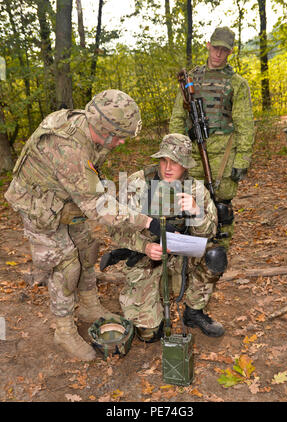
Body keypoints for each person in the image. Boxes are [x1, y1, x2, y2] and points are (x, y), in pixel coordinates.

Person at [4, 89, 173, 361]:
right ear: (104, 128)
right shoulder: (65, 146)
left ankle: (89, 306)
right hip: (39, 204)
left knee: (86, 249)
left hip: (68, 198)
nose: (119, 143)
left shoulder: (93, 130)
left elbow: (91, 185)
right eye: (118, 137)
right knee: (66, 265)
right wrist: (147, 222)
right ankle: (63, 329)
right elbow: (100, 206)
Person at [102, 134, 228, 342]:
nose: (168, 168)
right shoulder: (138, 183)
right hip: (147, 256)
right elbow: (114, 229)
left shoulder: (195, 189)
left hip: (181, 254)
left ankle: (194, 311)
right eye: (164, 160)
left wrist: (197, 212)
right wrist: (145, 246)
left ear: (185, 166)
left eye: (176, 162)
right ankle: (152, 306)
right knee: (149, 335)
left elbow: (209, 233)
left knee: (215, 255)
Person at [169, 26, 255, 249]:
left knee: (221, 207)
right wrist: (173, 152)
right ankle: (190, 252)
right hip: (193, 152)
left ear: (230, 52)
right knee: (187, 202)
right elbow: (178, 117)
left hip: (223, 156)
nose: (218, 54)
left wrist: (242, 160)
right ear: (208, 46)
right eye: (215, 48)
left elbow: (245, 124)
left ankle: (218, 255)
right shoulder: (190, 80)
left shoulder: (237, 83)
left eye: (224, 51)